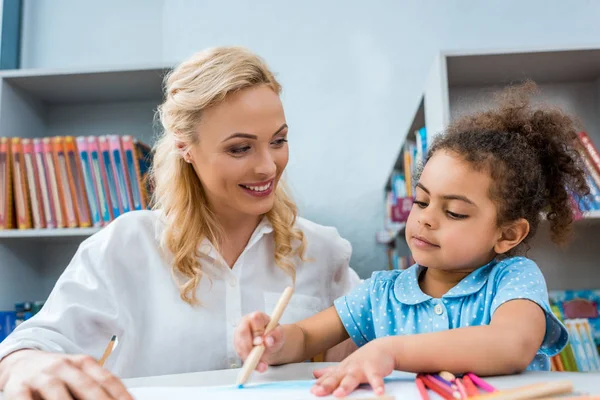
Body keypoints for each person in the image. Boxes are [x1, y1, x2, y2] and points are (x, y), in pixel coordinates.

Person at [0, 46, 359, 400]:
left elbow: (375, 332)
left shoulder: (322, 250)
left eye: (278, 140)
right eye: (239, 148)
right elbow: (27, 348)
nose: (268, 166)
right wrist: (26, 365)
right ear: (186, 147)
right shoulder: (129, 243)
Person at [234, 82, 590, 397]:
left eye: (454, 212)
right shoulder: (381, 294)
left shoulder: (512, 279)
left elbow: (512, 345)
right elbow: (307, 337)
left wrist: (392, 351)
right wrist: (274, 341)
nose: (425, 219)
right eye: (421, 200)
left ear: (508, 234)